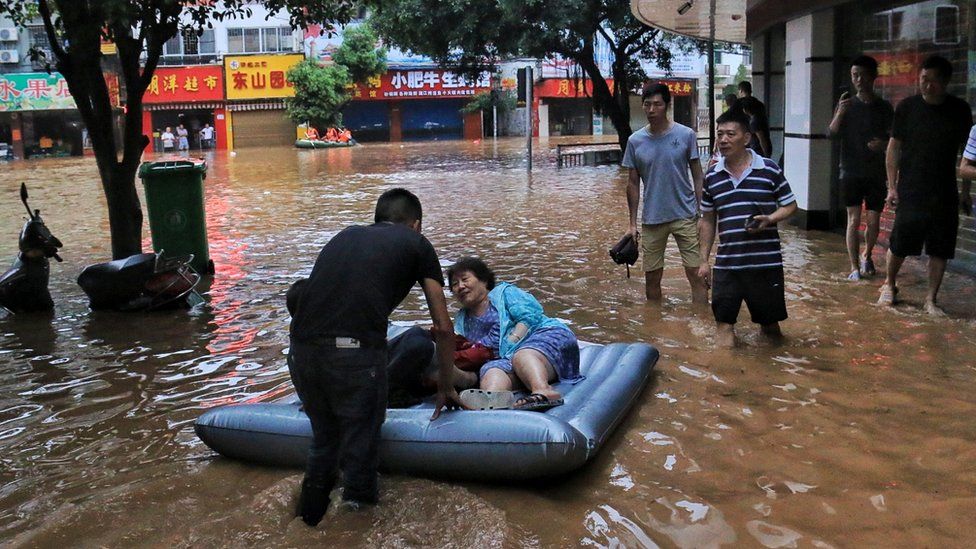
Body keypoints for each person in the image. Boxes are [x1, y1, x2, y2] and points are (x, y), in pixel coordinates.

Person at [287, 188, 466, 527]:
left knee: (324, 444)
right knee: (360, 456)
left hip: (301, 351)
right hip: (353, 355)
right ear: (416, 224)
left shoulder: (345, 236)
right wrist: (445, 385)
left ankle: (304, 524)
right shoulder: (417, 244)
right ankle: (354, 531)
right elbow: (443, 328)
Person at [879, 55, 973, 316]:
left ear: (945, 83)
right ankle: (889, 284)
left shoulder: (960, 110)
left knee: (940, 247)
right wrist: (891, 186)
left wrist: (965, 192)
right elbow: (893, 148)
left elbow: (966, 154)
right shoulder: (907, 107)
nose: (927, 86)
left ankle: (931, 299)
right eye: (923, 80)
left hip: (945, 189)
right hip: (911, 186)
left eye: (933, 81)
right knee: (900, 240)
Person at [698, 110, 797, 348]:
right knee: (723, 328)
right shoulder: (712, 175)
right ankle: (727, 377)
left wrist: (771, 218)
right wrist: (703, 261)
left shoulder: (769, 170)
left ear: (747, 138)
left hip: (765, 264)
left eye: (730, 134)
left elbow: (790, 205)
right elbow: (708, 220)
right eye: (720, 134)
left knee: (771, 331)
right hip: (727, 265)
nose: (723, 140)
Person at [448, 257, 582, 411]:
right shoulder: (462, 319)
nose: (460, 286)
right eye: (454, 284)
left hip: (542, 338)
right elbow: (472, 348)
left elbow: (530, 316)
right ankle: (492, 400)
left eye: (465, 279)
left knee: (522, 355)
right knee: (491, 372)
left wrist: (513, 339)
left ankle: (543, 390)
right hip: (506, 358)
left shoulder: (504, 293)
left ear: (483, 280)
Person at [622, 83, 708, 304]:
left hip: (686, 215)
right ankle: (654, 327)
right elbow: (632, 183)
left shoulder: (686, 135)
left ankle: (701, 323)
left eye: (657, 104)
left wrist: (703, 214)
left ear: (667, 106)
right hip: (652, 218)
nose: (652, 109)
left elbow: (698, 176)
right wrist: (632, 224)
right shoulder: (635, 141)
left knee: (696, 274)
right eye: (647, 104)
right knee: (652, 279)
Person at [827, 55, 894, 281]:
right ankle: (854, 266)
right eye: (854, 75)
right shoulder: (846, 105)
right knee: (853, 219)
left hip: (876, 171)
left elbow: (896, 140)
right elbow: (831, 134)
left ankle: (867, 254)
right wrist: (839, 112)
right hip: (850, 170)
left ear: (873, 77)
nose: (858, 79)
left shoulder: (884, 107)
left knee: (873, 220)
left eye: (863, 75)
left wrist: (883, 145)